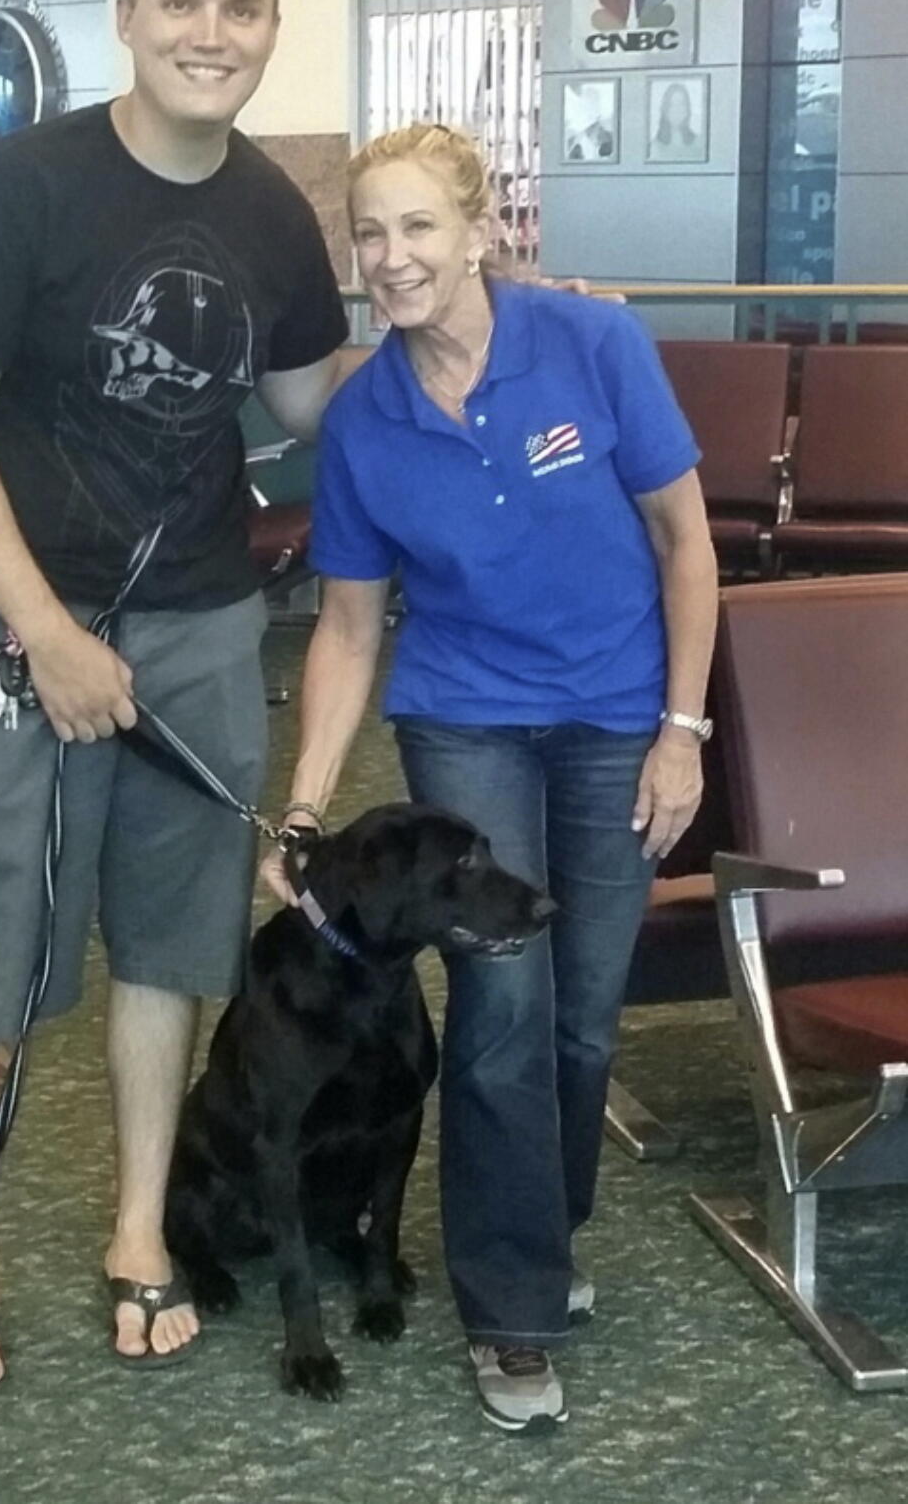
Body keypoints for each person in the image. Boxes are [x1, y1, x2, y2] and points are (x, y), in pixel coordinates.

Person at [0, 0, 350, 1391]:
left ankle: (140, 1227)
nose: (207, 33)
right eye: (180, 3)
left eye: (238, 9)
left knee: (168, 947)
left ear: (268, 31)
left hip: (206, 622)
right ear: (129, 16)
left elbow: (307, 409)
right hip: (25, 633)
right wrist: (42, 627)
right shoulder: (24, 186)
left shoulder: (272, 210)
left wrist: (482, 327)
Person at [262, 122, 718, 1432]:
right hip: (466, 717)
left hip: (617, 714)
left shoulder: (594, 346)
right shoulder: (363, 421)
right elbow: (347, 627)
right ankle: (508, 1301)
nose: (391, 257)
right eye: (369, 233)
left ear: (481, 231)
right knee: (503, 1006)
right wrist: (302, 803)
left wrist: (679, 726)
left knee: (582, 1014)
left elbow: (685, 544)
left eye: (416, 228)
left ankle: (541, 1223)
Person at [649, 81, 700, 161]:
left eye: (681, 104)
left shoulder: (699, 143)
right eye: (672, 105)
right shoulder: (654, 147)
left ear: (687, 109)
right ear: (665, 109)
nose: (677, 109)